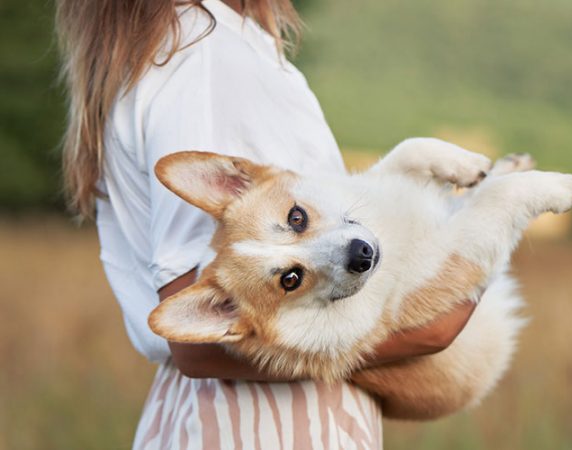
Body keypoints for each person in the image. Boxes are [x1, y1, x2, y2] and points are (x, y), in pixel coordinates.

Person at [56, 0, 476, 448]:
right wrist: (426, 330)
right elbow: (196, 348)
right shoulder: (203, 53)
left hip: (228, 415)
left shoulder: (196, 45)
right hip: (267, 420)